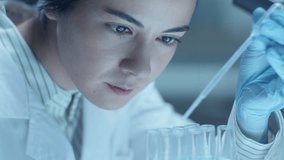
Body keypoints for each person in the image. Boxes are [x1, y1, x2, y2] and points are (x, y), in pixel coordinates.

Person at [0, 0, 283, 159]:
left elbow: (191, 153)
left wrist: (251, 126)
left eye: (167, 38)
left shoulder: (123, 97)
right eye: (121, 28)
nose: (141, 67)